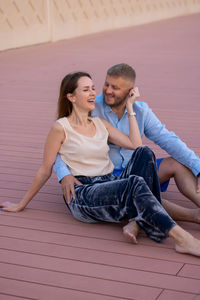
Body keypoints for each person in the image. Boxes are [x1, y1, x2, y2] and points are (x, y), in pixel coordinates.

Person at [1, 71, 200, 257]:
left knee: (145, 153)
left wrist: (130, 107)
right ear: (71, 97)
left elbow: (135, 144)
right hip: (83, 193)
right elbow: (45, 169)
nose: (93, 93)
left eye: (93, 88)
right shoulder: (60, 127)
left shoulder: (99, 123)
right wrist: (21, 204)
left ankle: (138, 221)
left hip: (110, 181)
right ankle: (182, 239)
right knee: (135, 185)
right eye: (86, 89)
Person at [53, 63, 200, 224]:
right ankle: (194, 216)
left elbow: (169, 140)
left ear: (130, 90)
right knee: (138, 191)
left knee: (176, 164)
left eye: (115, 87)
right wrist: (63, 173)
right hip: (106, 176)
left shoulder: (141, 110)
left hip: (136, 168)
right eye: (106, 84)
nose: (108, 91)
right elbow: (62, 142)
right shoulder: (91, 106)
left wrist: (198, 169)